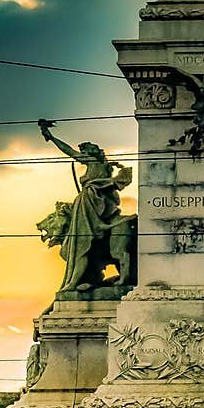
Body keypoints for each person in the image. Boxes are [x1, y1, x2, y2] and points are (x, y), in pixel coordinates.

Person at [37, 121, 133, 293]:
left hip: (88, 203)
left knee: (81, 240)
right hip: (93, 201)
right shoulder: (104, 166)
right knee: (80, 237)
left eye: (85, 151)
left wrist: (51, 138)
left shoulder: (91, 162)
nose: (82, 154)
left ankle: (74, 279)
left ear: (90, 153)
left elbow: (69, 151)